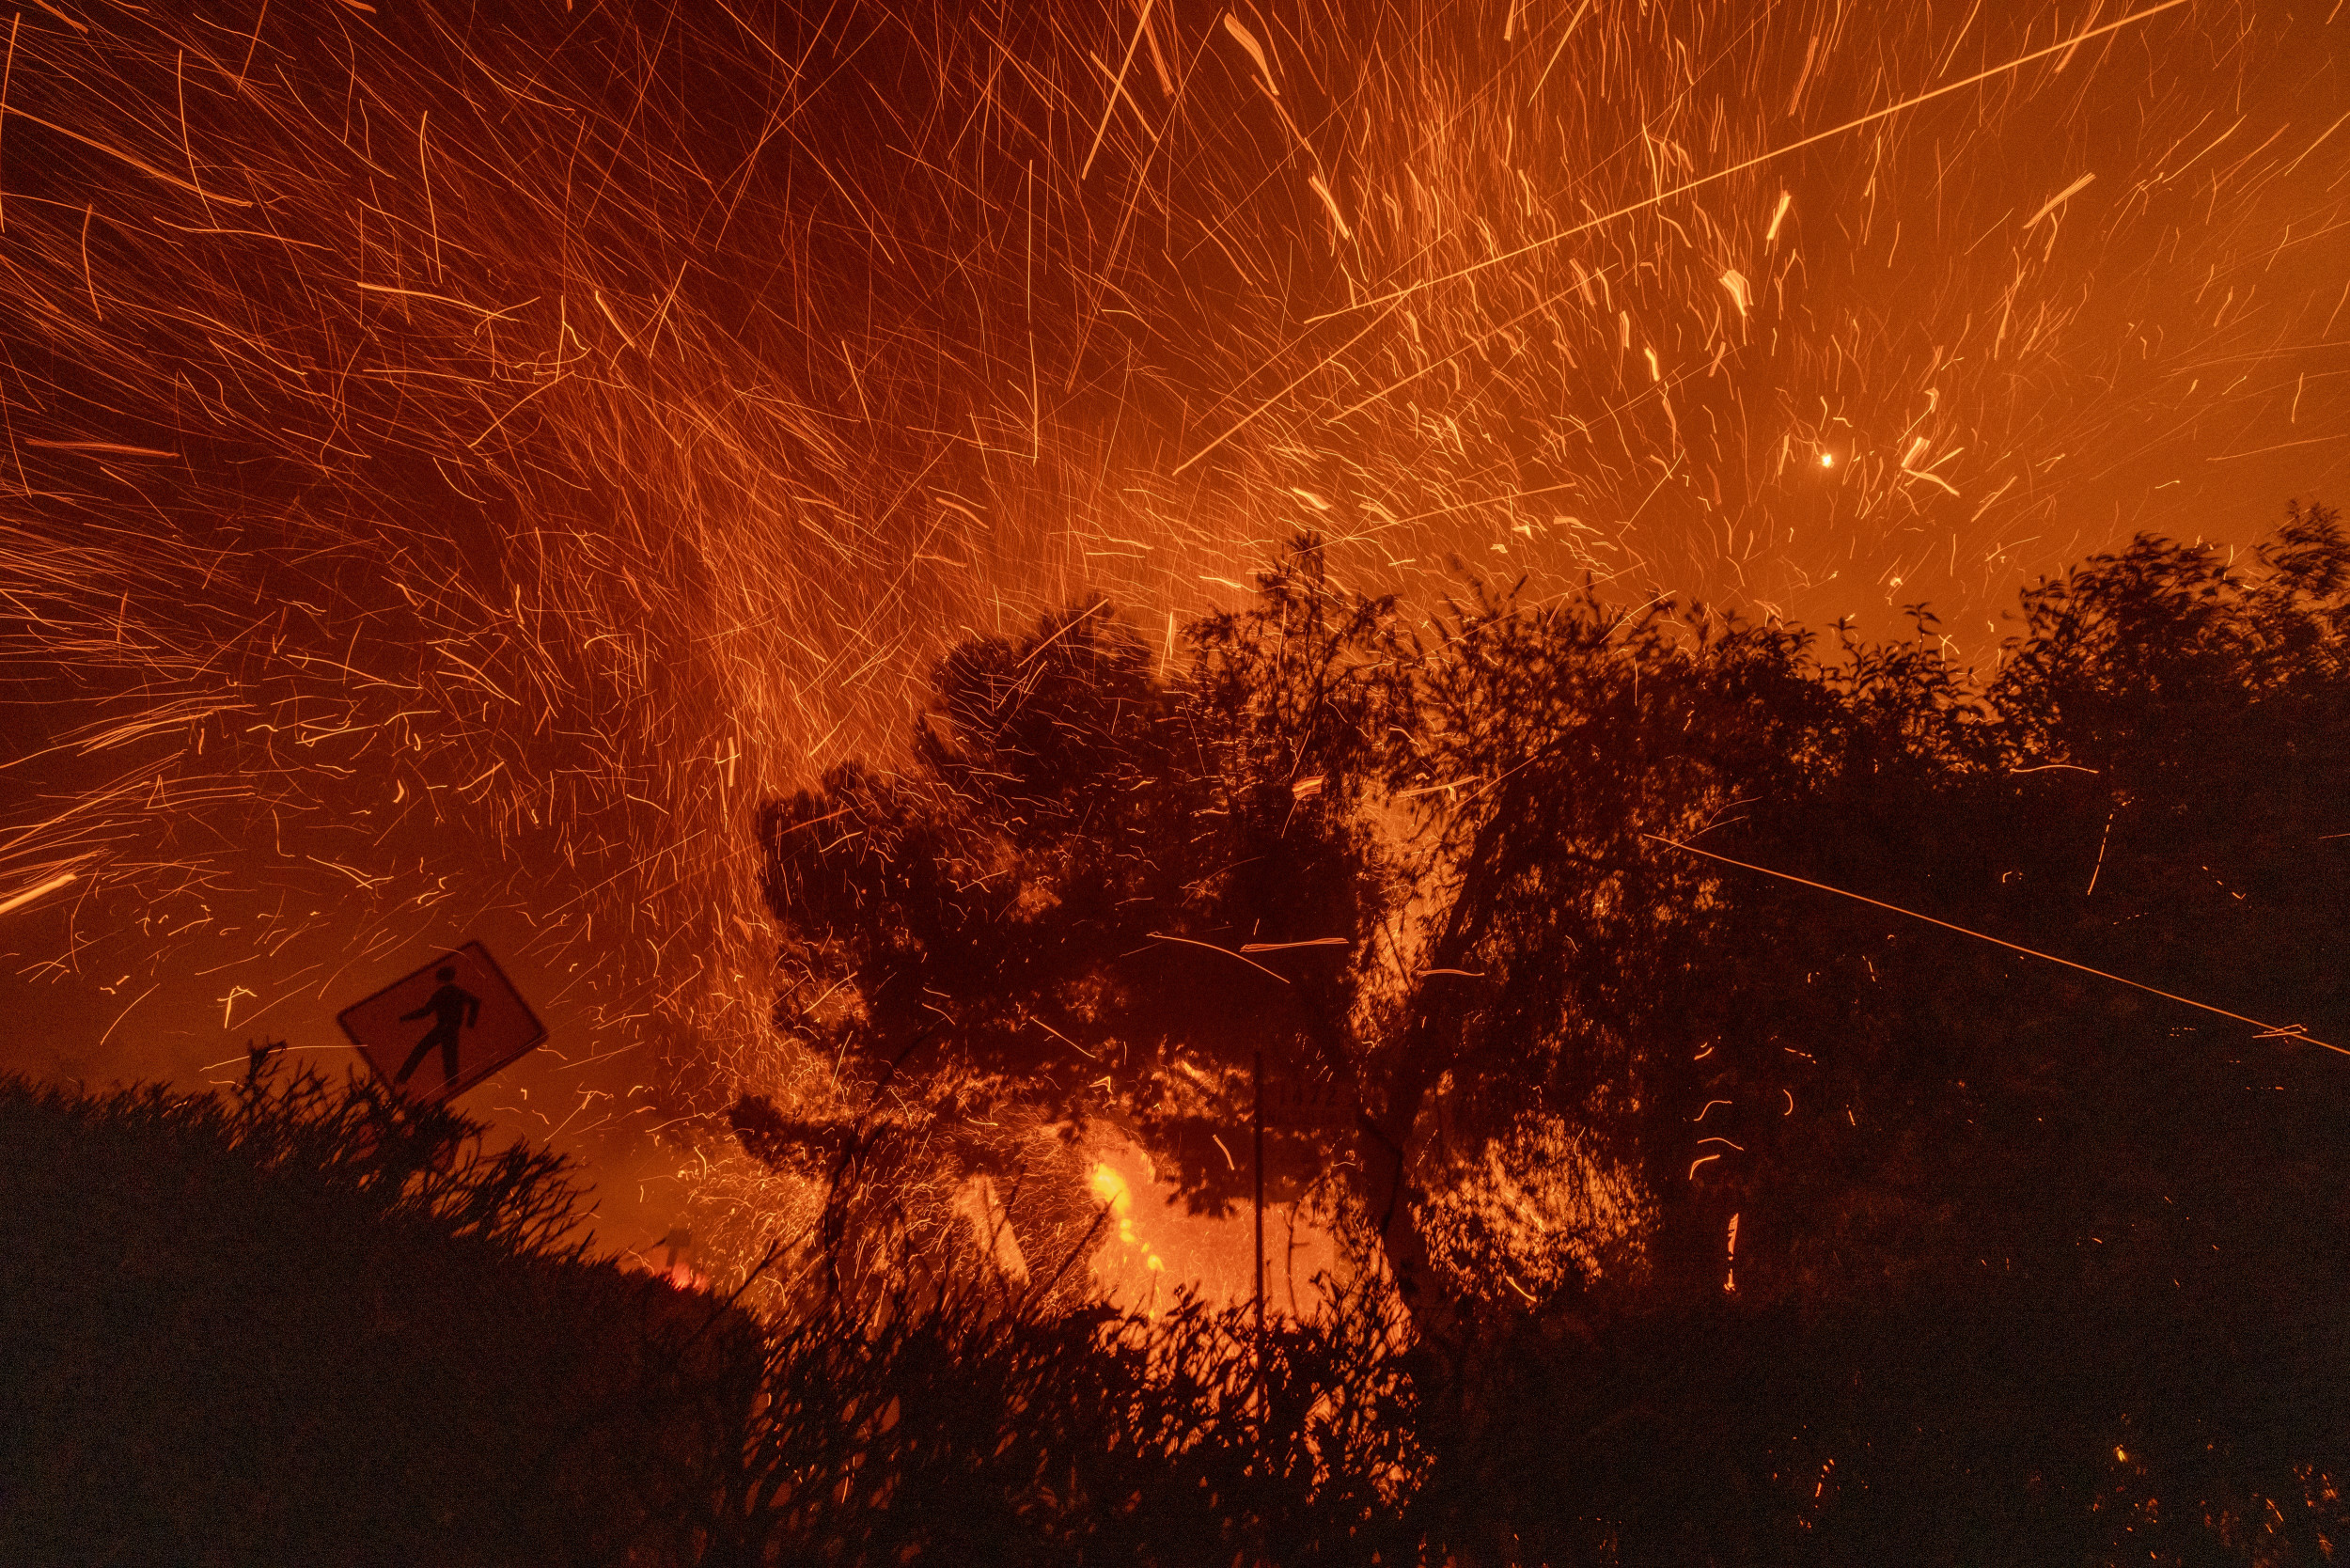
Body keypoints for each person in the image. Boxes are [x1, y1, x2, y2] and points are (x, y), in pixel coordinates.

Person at [396, 966, 480, 1091]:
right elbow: (475, 1002)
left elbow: (425, 1011)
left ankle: (401, 1078)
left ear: (440, 979)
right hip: (451, 1028)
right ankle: (452, 1084)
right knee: (449, 1056)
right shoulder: (458, 991)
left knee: (421, 1050)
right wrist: (469, 1023)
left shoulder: (441, 993)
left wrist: (404, 1018)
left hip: (443, 1027)